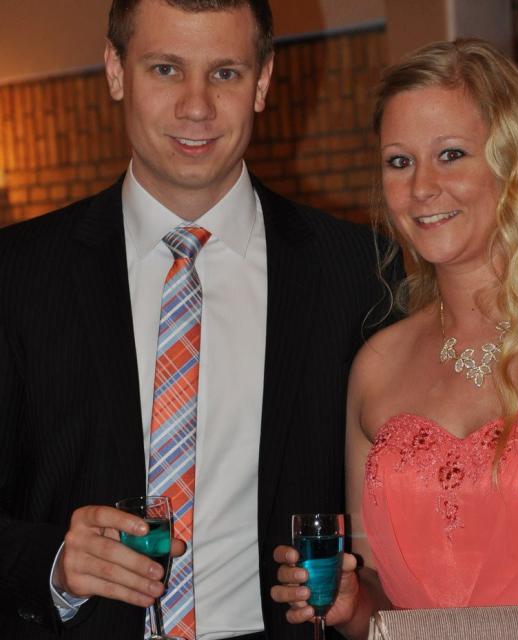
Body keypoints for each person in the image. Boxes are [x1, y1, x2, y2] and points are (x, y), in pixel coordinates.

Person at [0, 1, 393, 638]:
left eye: (225, 73)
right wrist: (53, 565)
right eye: (165, 69)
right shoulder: (16, 274)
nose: (196, 106)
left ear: (263, 81)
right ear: (115, 71)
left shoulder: (363, 274)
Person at [272, 38, 518, 640]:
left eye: (451, 154)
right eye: (399, 161)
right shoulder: (378, 366)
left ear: (515, 163)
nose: (421, 187)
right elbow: (379, 604)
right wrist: (350, 603)